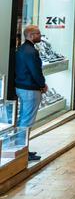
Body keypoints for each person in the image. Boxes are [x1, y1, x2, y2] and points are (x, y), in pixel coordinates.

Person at [15, 25, 47, 161]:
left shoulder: (22, 49)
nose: (40, 35)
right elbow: (35, 71)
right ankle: (22, 152)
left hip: (22, 87)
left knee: (23, 119)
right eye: (38, 34)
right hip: (29, 89)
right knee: (26, 121)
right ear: (31, 35)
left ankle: (23, 149)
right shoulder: (31, 52)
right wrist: (42, 84)